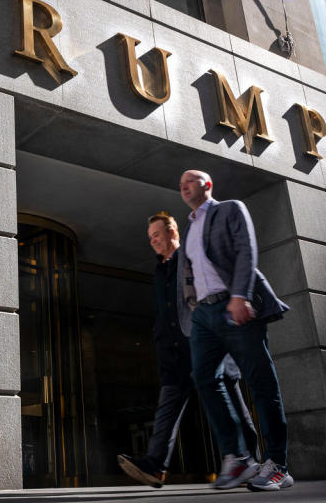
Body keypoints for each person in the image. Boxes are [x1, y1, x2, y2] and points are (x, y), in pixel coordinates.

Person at [118, 213, 258, 487]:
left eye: (156, 234)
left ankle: (249, 460)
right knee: (168, 404)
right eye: (150, 238)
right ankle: (156, 465)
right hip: (173, 349)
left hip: (203, 340)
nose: (153, 241)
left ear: (172, 232)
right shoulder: (160, 269)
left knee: (229, 397)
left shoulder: (194, 256)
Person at [177, 170, 292, 491]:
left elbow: (246, 251)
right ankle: (240, 458)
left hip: (234, 303)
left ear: (207, 185)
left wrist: (240, 295)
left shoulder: (229, 209)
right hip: (203, 313)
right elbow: (187, 274)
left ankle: (278, 465)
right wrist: (191, 313)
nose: (184, 187)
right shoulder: (188, 227)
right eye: (180, 184)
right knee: (204, 378)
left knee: (260, 382)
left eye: (190, 181)